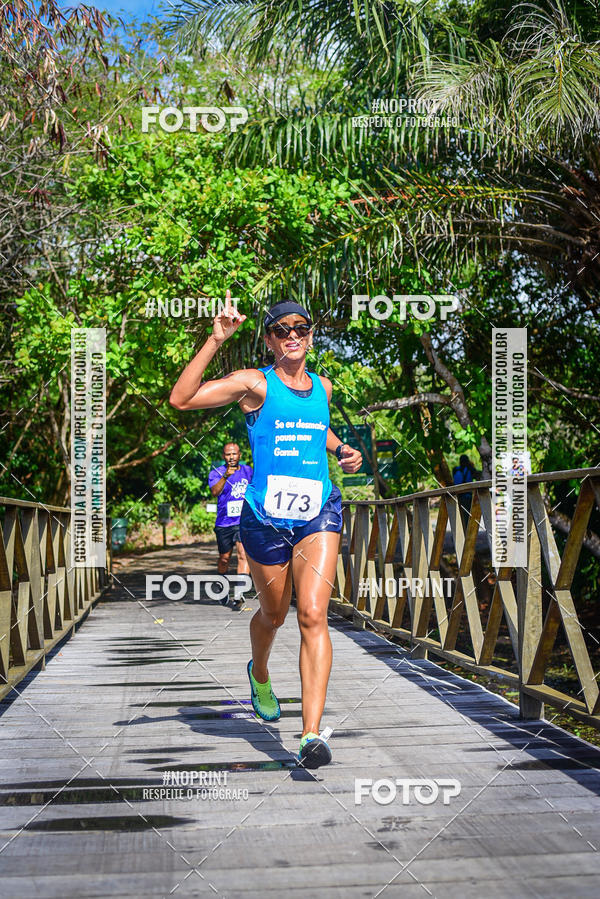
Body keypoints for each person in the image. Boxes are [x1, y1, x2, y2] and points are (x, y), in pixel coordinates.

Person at [170, 291, 362, 768]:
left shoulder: (325, 387)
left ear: (311, 336)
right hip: (264, 517)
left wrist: (340, 450)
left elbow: (316, 426)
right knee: (273, 615)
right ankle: (259, 673)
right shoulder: (255, 384)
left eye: (301, 328)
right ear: (270, 340)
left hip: (318, 510)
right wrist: (216, 340)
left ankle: (311, 734)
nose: (292, 336)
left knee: (313, 615)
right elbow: (181, 399)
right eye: (282, 330)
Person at [208, 443, 252, 582]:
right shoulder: (216, 472)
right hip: (224, 522)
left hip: (242, 521)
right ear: (223, 456)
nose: (231, 457)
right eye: (228, 454)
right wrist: (226, 476)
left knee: (243, 555)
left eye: (234, 454)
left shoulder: (248, 471)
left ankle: (240, 594)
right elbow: (214, 492)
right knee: (224, 559)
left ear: (239, 455)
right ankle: (221, 585)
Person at [452, 454, 480, 526]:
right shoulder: (470, 469)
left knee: (460, 516)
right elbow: (477, 476)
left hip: (457, 496)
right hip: (467, 496)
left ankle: (461, 533)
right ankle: (467, 533)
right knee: (467, 516)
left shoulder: (455, 470)